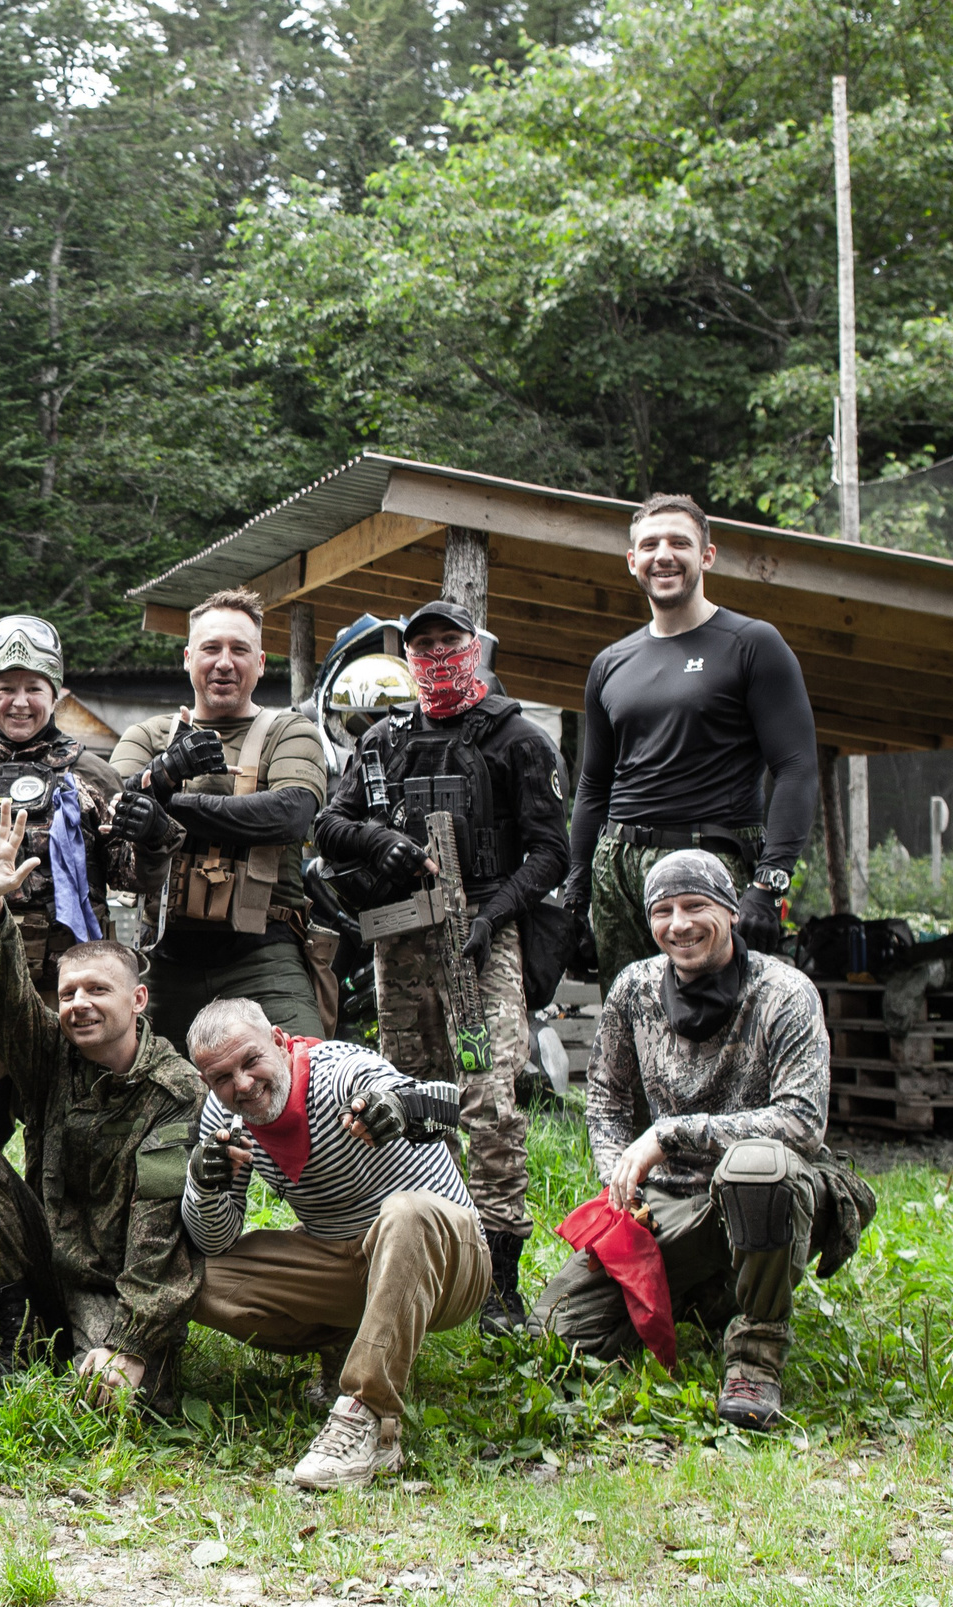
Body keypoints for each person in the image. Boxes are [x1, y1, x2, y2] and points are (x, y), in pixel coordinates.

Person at [0, 612, 178, 1336]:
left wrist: (152, 841)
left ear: (56, 690)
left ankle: (72, 1266)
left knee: (67, 1124)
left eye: (33, 687)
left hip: (68, 980)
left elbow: (131, 875)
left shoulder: (91, 773)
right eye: (5, 688)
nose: (19, 701)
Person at [533, 852, 872, 1428]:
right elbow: (607, 1099)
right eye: (662, 910)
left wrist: (670, 1133)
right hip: (669, 1200)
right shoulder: (634, 989)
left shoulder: (785, 992)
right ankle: (712, 1294)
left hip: (776, 1189)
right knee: (557, 1329)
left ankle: (756, 1359)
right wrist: (619, 1177)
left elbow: (800, 1123)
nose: (679, 924)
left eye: (695, 906)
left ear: (731, 910)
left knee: (756, 1167)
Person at [313, 599, 568, 1334]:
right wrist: (378, 845)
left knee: (485, 1095)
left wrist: (495, 913)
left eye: (447, 640)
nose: (434, 653)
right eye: (421, 643)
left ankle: (500, 1280)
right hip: (403, 948)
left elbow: (552, 850)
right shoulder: (386, 740)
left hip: (480, 948)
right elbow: (329, 822)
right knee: (412, 1098)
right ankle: (429, 1253)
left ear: (475, 644)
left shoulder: (519, 738)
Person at [0, 800, 207, 1404]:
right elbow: (0, 1002)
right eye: (68, 992)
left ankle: (101, 1352)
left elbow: (160, 1233)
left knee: (115, 1398)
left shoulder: (175, 1092)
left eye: (97, 990)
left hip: (115, 1283)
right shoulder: (51, 1050)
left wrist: (131, 1343)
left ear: (137, 1001)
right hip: (45, 1265)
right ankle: (22, 1343)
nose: (78, 1003)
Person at [181, 999, 488, 1491]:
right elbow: (213, 1240)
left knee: (404, 1213)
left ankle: (369, 1421)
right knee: (194, 1279)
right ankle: (349, 1344)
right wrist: (204, 1183)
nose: (241, 1084)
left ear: (280, 1042)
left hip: (450, 1261)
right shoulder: (227, 1115)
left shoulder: (341, 1073)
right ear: (206, 1082)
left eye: (251, 1061)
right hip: (351, 1260)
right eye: (221, 1077)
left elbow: (446, 1104)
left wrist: (399, 1108)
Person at [561, 494, 819, 989]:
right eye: (650, 544)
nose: (664, 555)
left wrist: (770, 883)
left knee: (713, 1028)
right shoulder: (610, 663)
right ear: (632, 561)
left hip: (710, 861)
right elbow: (593, 785)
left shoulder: (753, 644)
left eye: (680, 543)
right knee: (629, 1025)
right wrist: (576, 895)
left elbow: (796, 768)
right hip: (618, 871)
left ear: (706, 555)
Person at [110, 588, 329, 1048]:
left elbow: (287, 815)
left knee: (305, 1081)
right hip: (164, 955)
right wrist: (167, 769)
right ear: (189, 658)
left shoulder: (291, 731)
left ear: (262, 662)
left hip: (265, 952)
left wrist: (167, 806)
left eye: (239, 649)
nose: (224, 662)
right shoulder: (147, 736)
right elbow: (114, 812)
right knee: (142, 1095)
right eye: (211, 648)